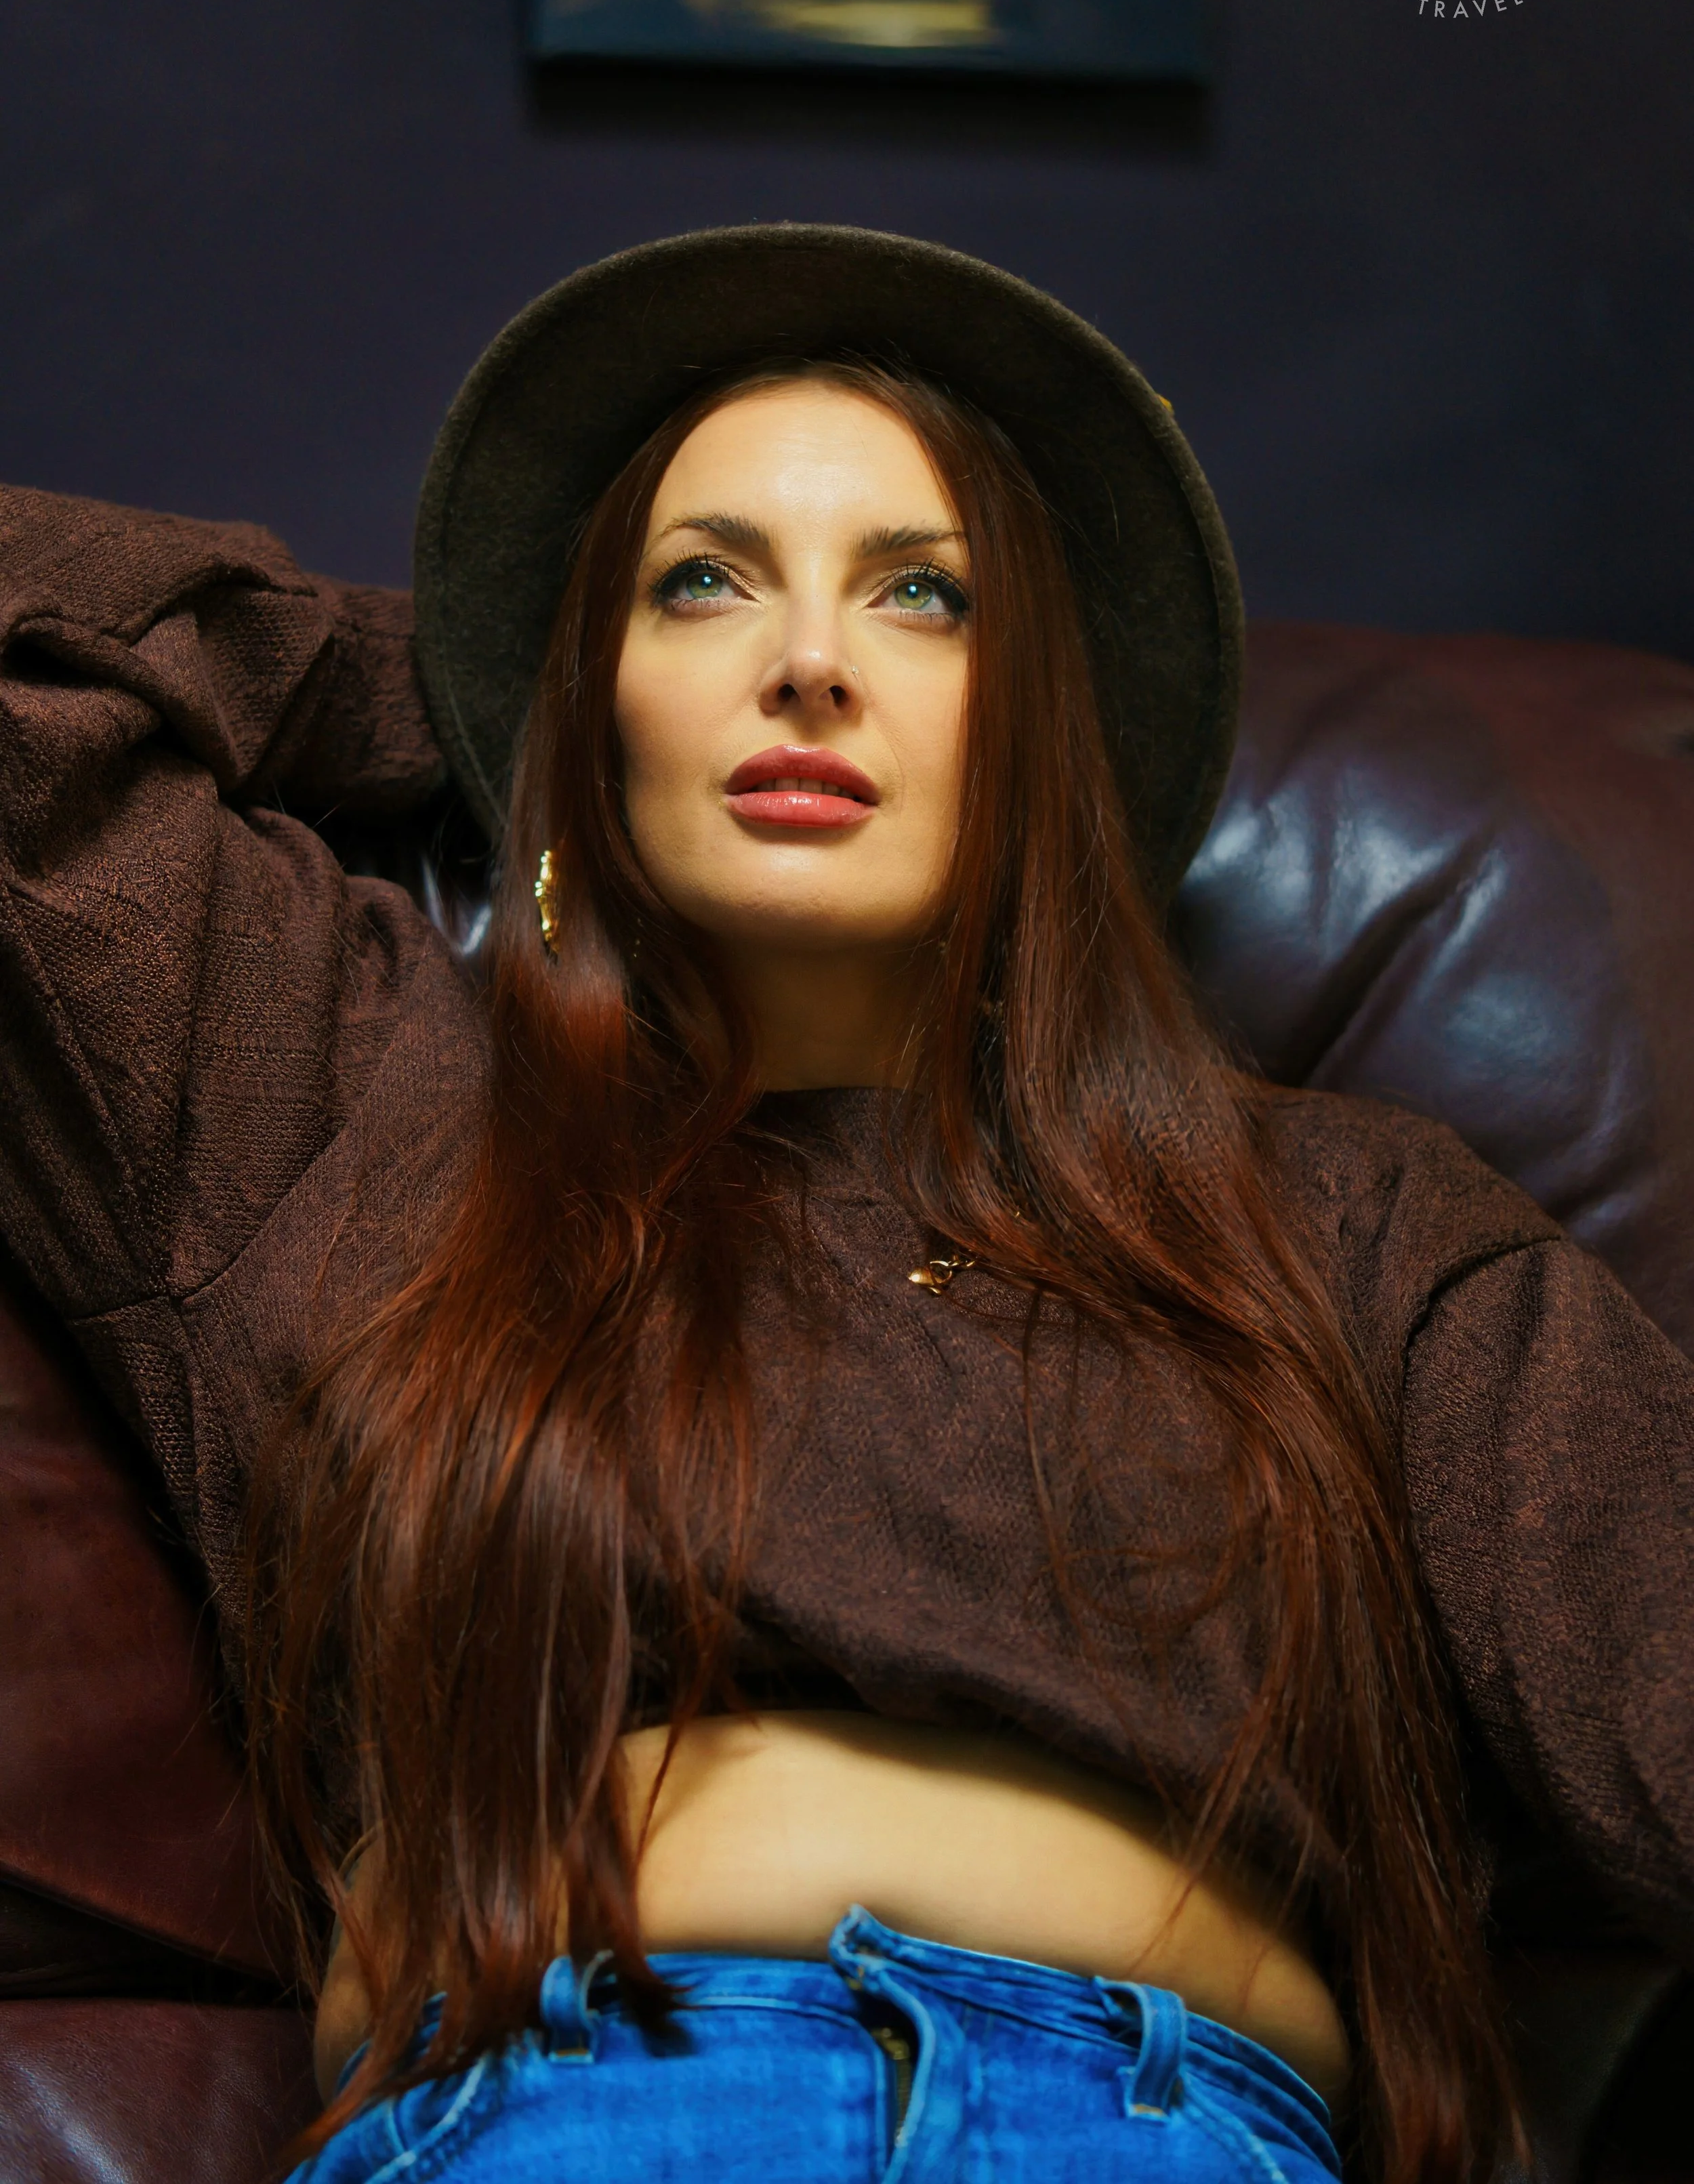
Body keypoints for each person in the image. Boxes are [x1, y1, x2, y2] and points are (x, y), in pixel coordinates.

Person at [1, 227, 1689, 2184]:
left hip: (1160, 2132)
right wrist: (514, 689)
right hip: (557, 2118)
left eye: (926, 597)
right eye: (702, 583)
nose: (806, 662)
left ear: (1048, 722)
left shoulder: (1350, 1224)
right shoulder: (347, 1103)